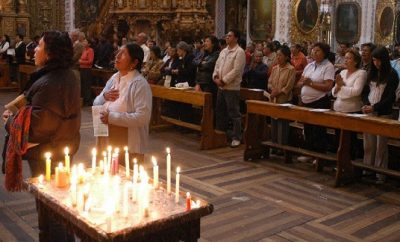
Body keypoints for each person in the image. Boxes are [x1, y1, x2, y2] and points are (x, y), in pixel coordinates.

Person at [3, 30, 80, 241]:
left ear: (50, 54)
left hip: (48, 152)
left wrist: (10, 121)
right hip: (57, 148)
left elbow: (38, 126)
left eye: (39, 46)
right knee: (56, 211)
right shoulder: (61, 75)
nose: (35, 49)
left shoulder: (52, 82)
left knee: (52, 214)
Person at [93, 43, 152, 160]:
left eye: (123, 53)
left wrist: (111, 117)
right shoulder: (114, 77)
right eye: (118, 52)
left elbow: (143, 117)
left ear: (134, 63)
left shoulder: (139, 84)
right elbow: (96, 103)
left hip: (127, 145)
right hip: (106, 138)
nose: (117, 56)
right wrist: (104, 96)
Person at [361, 47, 399, 184]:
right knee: (368, 143)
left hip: (383, 112)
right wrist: (366, 104)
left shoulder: (392, 74)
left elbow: (390, 97)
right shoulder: (371, 72)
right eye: (374, 60)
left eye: (378, 60)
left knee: (380, 145)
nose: (376, 63)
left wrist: (375, 107)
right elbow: (365, 91)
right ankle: (367, 169)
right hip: (369, 110)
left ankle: (380, 174)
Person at [297, 42, 334, 163]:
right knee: (307, 129)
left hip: (320, 102)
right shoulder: (309, 65)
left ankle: (319, 156)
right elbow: (300, 82)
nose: (314, 52)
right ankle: (309, 153)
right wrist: (302, 84)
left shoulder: (328, 66)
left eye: (317, 50)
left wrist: (311, 83)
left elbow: (328, 86)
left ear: (324, 53)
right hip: (306, 102)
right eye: (313, 50)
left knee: (318, 130)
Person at [213, 29, 246, 148]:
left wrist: (224, 80)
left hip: (231, 88)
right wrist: (216, 77)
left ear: (236, 38)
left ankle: (237, 137)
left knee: (234, 113)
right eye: (227, 35)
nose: (227, 37)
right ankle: (221, 135)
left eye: (230, 36)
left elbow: (236, 70)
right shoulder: (223, 51)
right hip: (221, 87)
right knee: (220, 111)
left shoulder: (239, 52)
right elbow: (217, 66)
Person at [332, 49, 367, 159]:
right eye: (345, 58)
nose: (345, 60)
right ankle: (340, 160)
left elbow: (356, 91)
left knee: (350, 139)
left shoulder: (361, 73)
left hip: (352, 110)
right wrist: (338, 87)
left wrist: (341, 87)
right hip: (338, 108)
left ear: (356, 61)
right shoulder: (342, 72)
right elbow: (333, 93)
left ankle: (350, 163)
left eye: (349, 58)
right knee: (338, 138)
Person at [268, 45, 296, 154]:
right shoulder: (275, 68)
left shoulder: (291, 69)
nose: (278, 58)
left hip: (284, 100)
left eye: (280, 55)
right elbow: (269, 82)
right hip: (274, 99)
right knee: (273, 123)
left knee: (282, 125)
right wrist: (271, 89)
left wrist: (278, 92)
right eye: (277, 55)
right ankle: (274, 145)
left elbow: (288, 87)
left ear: (286, 57)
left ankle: (282, 147)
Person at [195, 35, 220, 109]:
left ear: (213, 44)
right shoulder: (204, 54)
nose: (204, 43)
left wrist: (201, 64)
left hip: (210, 84)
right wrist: (201, 63)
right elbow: (194, 61)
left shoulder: (217, 54)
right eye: (204, 41)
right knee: (202, 107)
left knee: (210, 107)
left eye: (207, 41)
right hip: (201, 82)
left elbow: (209, 65)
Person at [79, 39, 95, 106]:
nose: (83, 42)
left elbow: (90, 61)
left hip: (87, 70)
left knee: (87, 85)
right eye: (84, 41)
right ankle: (84, 100)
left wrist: (81, 61)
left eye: (85, 41)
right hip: (82, 69)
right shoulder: (84, 50)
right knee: (83, 85)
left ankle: (88, 101)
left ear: (89, 44)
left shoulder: (90, 50)